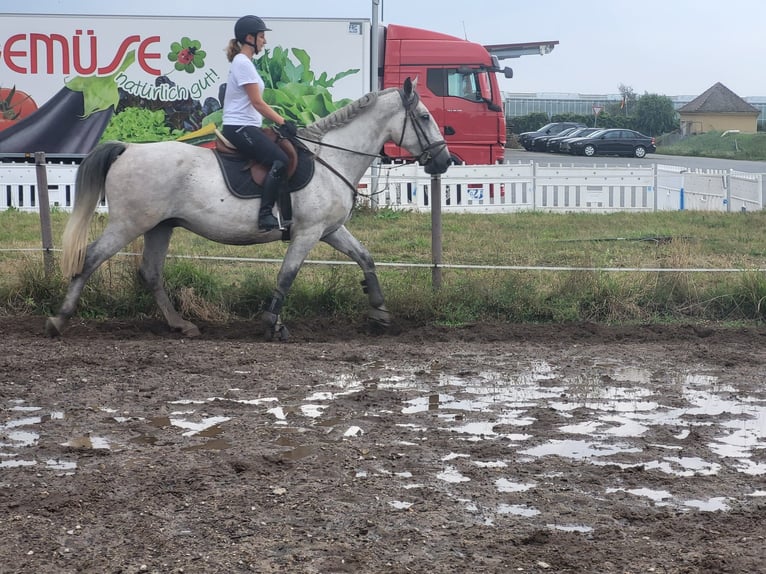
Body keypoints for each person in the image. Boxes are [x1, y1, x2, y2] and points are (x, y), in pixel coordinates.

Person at [222, 15, 297, 230]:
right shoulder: (243, 63)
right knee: (280, 160)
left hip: (247, 125)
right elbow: (257, 102)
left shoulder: (246, 63)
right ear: (249, 38)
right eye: (262, 36)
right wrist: (283, 122)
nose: (264, 41)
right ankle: (265, 215)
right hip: (239, 127)